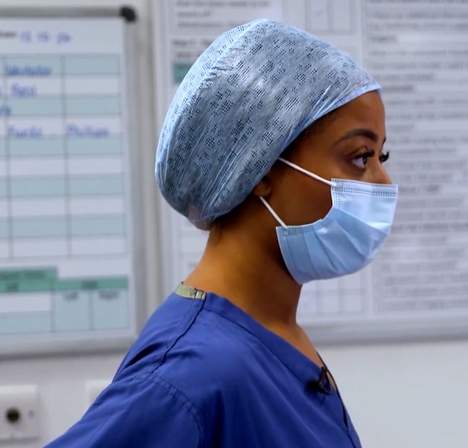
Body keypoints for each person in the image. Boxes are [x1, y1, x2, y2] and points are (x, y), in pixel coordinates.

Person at [45, 19, 396, 447]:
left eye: (382, 154)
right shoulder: (191, 374)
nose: (383, 182)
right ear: (261, 168)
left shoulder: (272, 335)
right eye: (360, 157)